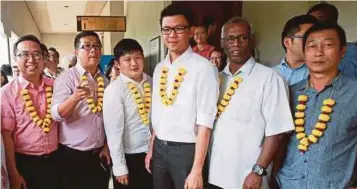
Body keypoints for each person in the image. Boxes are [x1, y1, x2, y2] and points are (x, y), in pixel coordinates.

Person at [208, 17, 294, 189]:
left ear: (252, 40)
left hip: (248, 178)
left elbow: (276, 132)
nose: (236, 43)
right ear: (222, 43)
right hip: (214, 175)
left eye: (243, 38)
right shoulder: (216, 79)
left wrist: (258, 171)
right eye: (230, 39)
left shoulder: (270, 78)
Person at [145, 4, 219, 189]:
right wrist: (151, 149)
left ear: (191, 31)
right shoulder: (159, 68)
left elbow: (205, 123)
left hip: (187, 151)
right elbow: (159, 113)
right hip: (160, 148)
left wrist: (196, 170)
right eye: (166, 29)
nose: (172, 35)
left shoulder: (204, 68)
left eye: (178, 29)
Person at [276, 22, 357, 189]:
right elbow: (279, 142)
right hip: (288, 184)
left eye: (327, 45)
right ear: (305, 53)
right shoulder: (290, 93)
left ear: (342, 51)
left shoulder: (354, 92)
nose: (319, 53)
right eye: (312, 46)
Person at [51, 31, 111, 189]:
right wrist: (74, 98)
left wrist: (107, 145)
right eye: (87, 46)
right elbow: (57, 115)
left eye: (97, 46)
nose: (93, 50)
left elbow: (110, 117)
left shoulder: (104, 80)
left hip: (99, 154)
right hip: (73, 156)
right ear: (76, 52)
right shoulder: (66, 78)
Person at [1, 34, 59, 189]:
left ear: (43, 58)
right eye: (24, 55)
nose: (31, 60)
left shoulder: (56, 86)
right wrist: (13, 173)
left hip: (57, 160)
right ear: (15, 59)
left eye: (36, 54)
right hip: (25, 164)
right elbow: (6, 136)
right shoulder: (7, 93)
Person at [104, 38, 154, 189]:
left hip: (154, 153)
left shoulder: (151, 81)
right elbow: (114, 132)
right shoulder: (115, 90)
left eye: (138, 57)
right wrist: (119, 167)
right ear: (118, 65)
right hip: (130, 156)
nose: (134, 63)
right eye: (127, 59)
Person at [307, 2, 357, 78]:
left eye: (318, 20)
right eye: (310, 21)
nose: (312, 25)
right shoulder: (306, 52)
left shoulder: (351, 51)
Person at [274, 15, 319, 86]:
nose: (313, 43)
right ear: (287, 42)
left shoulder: (320, 74)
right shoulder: (270, 74)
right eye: (307, 37)